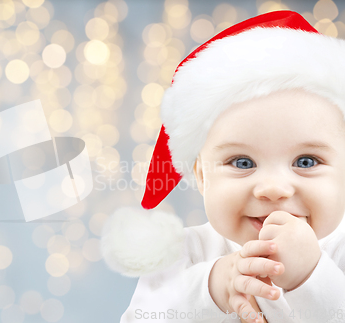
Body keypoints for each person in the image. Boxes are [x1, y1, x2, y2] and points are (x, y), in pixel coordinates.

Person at [101, 10, 345, 323]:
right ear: (202, 175)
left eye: (306, 161)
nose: (273, 187)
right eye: (243, 162)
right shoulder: (185, 253)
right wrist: (213, 289)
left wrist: (310, 278)